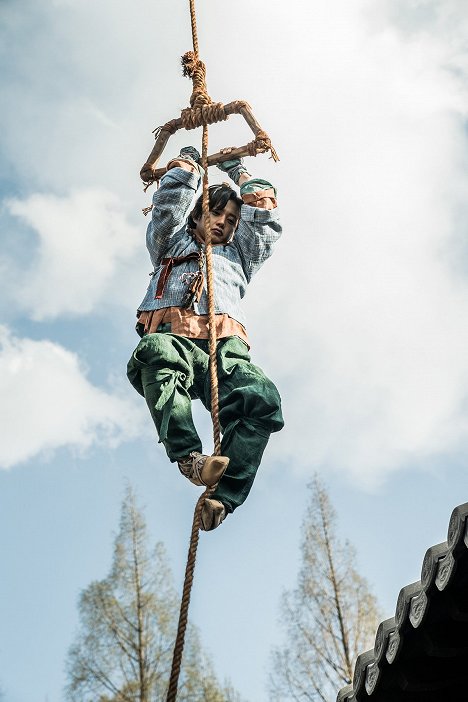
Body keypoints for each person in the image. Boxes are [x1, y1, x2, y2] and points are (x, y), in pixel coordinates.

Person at [127, 146, 284, 531]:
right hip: (176, 336)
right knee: (154, 351)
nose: (224, 224)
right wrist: (189, 166)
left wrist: (238, 171)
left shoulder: (240, 255)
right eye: (216, 213)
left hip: (225, 346)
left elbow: (264, 214)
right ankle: (190, 459)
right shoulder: (170, 244)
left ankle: (222, 498)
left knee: (262, 399)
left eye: (232, 220)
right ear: (198, 213)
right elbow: (168, 204)